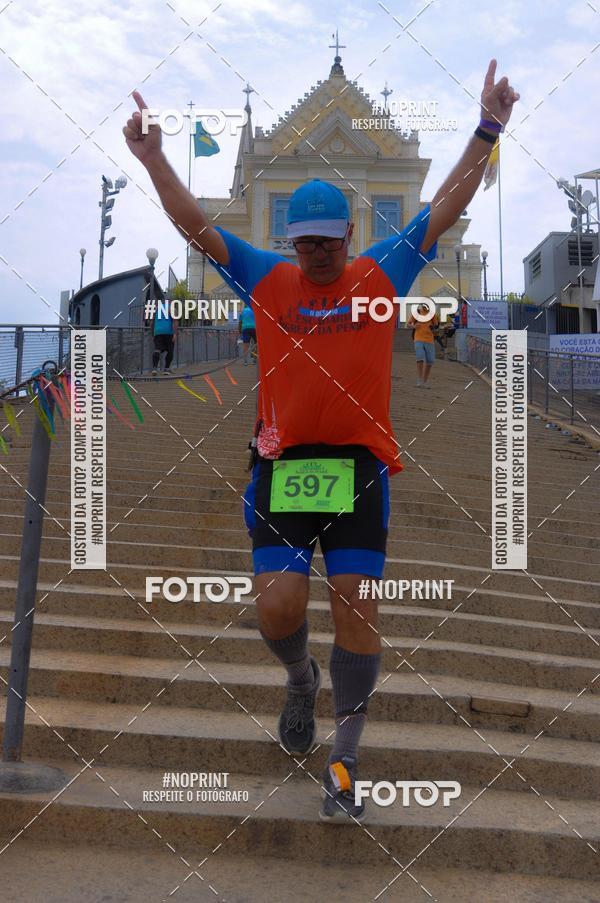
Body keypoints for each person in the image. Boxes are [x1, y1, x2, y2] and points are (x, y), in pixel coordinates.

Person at [123, 59, 519, 821]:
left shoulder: (379, 274)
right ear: (290, 239)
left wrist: (489, 127)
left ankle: (345, 758)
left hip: (360, 465)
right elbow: (197, 228)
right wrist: (154, 160)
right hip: (285, 463)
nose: (316, 254)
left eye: (327, 241)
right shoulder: (268, 281)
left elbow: (444, 203)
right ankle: (300, 677)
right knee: (277, 605)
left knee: (357, 606)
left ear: (347, 233)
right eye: (303, 242)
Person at [408, 302, 439, 386]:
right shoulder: (417, 313)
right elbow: (409, 324)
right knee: (420, 358)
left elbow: (436, 327)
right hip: (418, 338)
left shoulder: (433, 315)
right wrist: (413, 326)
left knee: (430, 361)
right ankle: (419, 380)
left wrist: (435, 330)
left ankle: (424, 382)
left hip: (429, 340)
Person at [150, 304, 177, 375]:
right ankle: (166, 369)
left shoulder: (156, 309)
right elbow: (174, 321)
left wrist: (153, 333)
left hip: (158, 332)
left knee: (157, 349)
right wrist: (174, 333)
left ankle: (154, 368)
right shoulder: (171, 308)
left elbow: (152, 322)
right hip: (168, 332)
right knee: (170, 351)